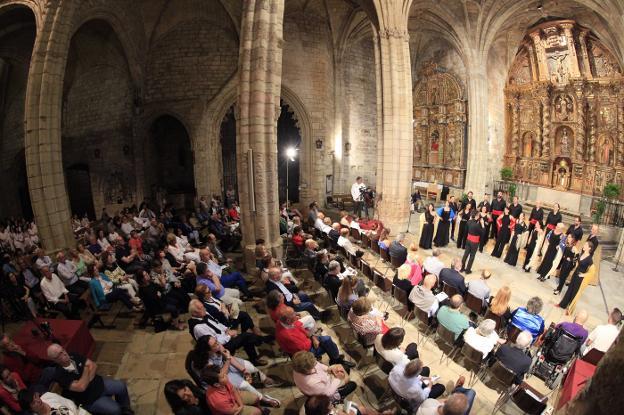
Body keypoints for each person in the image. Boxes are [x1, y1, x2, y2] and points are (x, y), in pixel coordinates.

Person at [194, 336, 280, 407]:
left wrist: (244, 370)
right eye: (214, 345)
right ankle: (263, 399)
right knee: (245, 385)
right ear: (207, 350)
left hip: (225, 365)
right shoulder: (206, 362)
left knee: (248, 366)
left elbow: (230, 357)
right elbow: (220, 375)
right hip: (219, 377)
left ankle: (265, 380)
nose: (218, 344)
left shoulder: (217, 346)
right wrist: (227, 359)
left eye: (216, 341)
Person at [46, 344, 132, 415]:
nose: (64, 353)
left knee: (121, 386)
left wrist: (85, 381)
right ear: (55, 360)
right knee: (115, 410)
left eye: (63, 350)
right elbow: (81, 388)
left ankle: (125, 409)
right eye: (59, 354)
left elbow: (93, 365)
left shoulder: (73, 355)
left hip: (99, 383)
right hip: (88, 399)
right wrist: (86, 369)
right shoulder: (59, 375)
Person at [187, 300, 268, 366]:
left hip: (224, 336)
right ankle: (263, 340)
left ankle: (254, 358)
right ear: (194, 313)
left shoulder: (204, 314)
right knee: (246, 336)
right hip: (221, 347)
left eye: (203, 306)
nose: (204, 308)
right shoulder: (198, 328)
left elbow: (217, 324)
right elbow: (214, 342)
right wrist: (229, 336)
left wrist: (227, 329)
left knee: (243, 320)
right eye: (201, 308)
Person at [291, 351, 356, 401]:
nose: (316, 361)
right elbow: (328, 393)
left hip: (325, 383)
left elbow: (318, 365)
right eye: (314, 363)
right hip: (327, 394)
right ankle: (340, 397)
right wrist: (338, 379)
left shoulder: (298, 365)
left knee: (346, 368)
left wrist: (329, 368)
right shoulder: (312, 383)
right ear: (308, 369)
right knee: (353, 385)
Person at [558, 242, 595, 312]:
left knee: (574, 292)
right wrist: (572, 258)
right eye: (585, 244)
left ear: (589, 248)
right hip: (575, 274)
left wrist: (583, 275)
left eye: (586, 245)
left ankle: (570, 309)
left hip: (580, 278)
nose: (584, 245)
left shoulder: (590, 259)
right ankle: (563, 305)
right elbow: (577, 259)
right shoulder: (582, 254)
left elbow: (592, 272)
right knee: (570, 289)